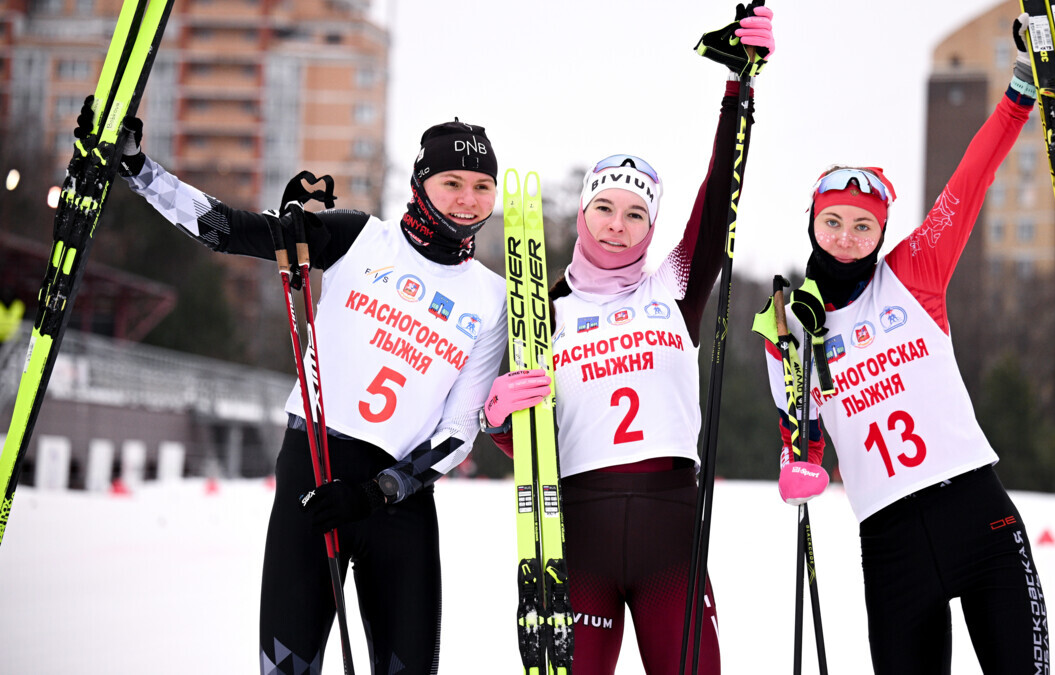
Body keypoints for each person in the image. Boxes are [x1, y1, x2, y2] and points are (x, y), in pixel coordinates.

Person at [76, 105, 508, 673]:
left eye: (482, 186)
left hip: (399, 502)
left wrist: (383, 490)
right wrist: (138, 168)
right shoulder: (359, 238)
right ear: (419, 184)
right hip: (315, 465)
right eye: (452, 182)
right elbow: (232, 231)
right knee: (286, 665)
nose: (467, 198)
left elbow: (458, 432)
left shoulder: (490, 297)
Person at [757, 3, 1055, 673]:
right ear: (812, 224)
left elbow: (969, 185)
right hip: (890, 543)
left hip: (978, 513)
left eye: (863, 225)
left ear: (881, 233)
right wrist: (800, 459)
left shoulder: (913, 274)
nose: (847, 237)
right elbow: (804, 433)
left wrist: (1024, 86)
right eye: (835, 222)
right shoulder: (792, 322)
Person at [481, 4, 775, 674]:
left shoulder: (673, 285)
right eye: (605, 208)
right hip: (576, 534)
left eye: (637, 214)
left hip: (671, 534)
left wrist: (739, 90)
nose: (618, 225)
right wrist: (497, 416)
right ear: (584, 212)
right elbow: (529, 444)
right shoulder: (542, 308)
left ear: (651, 226)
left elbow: (716, 197)